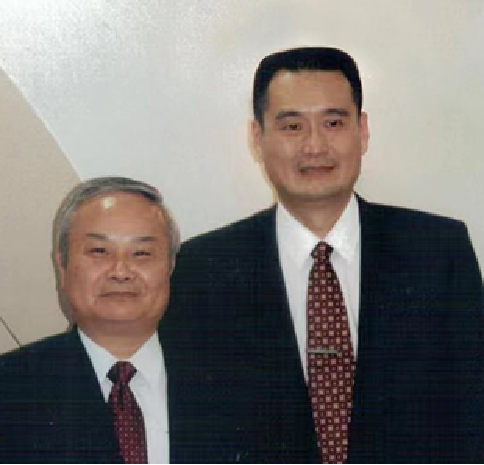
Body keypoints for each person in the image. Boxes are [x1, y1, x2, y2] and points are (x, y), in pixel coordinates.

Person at [169, 47, 484, 463]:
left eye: (333, 123)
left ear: (363, 131)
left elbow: (473, 414)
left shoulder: (438, 251)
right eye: (292, 126)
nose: (315, 146)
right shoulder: (203, 267)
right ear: (257, 139)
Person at [0, 177, 196, 464]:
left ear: (170, 266)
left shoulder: (236, 384)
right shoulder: (11, 390)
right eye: (99, 251)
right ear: (62, 266)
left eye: (141, 253)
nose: (121, 271)